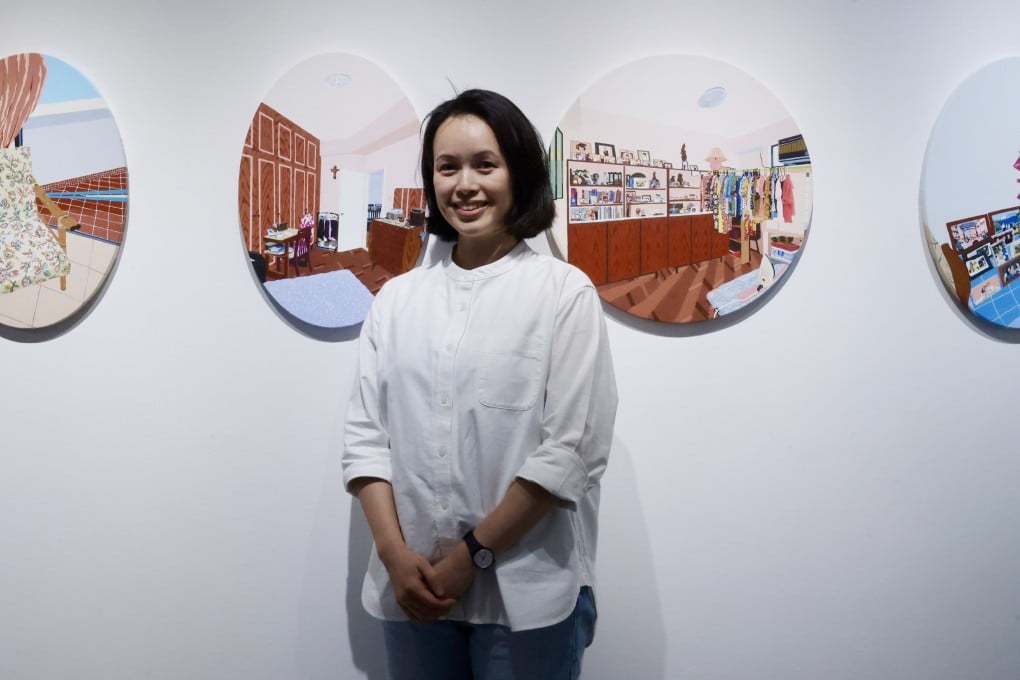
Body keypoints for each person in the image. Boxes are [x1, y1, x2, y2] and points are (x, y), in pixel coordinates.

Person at [342, 89, 618, 680]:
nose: (464, 185)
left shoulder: (563, 293)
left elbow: (570, 452)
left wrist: (471, 557)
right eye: (447, 168)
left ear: (518, 173)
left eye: (484, 165)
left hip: (527, 596)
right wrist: (393, 554)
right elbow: (365, 439)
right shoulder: (396, 300)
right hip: (410, 593)